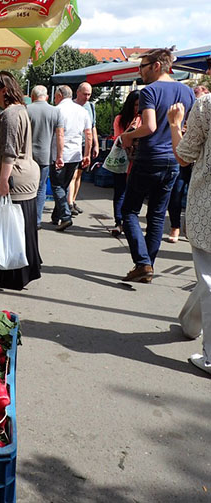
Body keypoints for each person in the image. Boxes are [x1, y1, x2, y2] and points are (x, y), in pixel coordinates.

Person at [119, 48, 196, 283]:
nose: (139, 71)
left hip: (149, 157)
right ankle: (147, 267)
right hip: (174, 159)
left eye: (142, 66)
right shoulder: (187, 92)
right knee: (156, 215)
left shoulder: (150, 91)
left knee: (129, 210)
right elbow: (187, 129)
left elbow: (149, 126)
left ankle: (142, 263)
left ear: (156, 66)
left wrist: (128, 136)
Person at [168, 58, 211, 374]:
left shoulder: (205, 105)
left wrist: (174, 124)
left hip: (207, 205)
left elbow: (183, 155)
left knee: (208, 276)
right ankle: (189, 323)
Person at [0, 71, 41, 290]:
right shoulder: (19, 111)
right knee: (16, 227)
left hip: (15, 179)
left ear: (4, 90)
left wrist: (3, 180)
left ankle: (14, 274)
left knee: (13, 227)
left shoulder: (10, 115)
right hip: (22, 177)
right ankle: (9, 270)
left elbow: (10, 151)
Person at [51, 85, 92, 231]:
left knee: (57, 185)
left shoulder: (57, 110)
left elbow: (59, 134)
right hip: (76, 154)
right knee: (63, 185)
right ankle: (56, 217)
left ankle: (66, 216)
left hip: (59, 154)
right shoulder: (82, 111)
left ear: (59, 96)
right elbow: (88, 134)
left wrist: (59, 155)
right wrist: (87, 154)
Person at [27, 85, 64, 229]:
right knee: (41, 189)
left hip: (26, 156)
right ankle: (36, 221)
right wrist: (59, 156)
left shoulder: (26, 110)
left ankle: (25, 217)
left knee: (25, 188)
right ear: (47, 97)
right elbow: (60, 135)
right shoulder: (55, 111)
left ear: (32, 96)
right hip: (45, 156)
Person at [110, 90, 141, 237]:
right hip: (122, 161)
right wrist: (131, 128)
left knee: (134, 193)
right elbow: (119, 139)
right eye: (135, 105)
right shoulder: (120, 119)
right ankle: (119, 222)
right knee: (120, 191)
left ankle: (130, 222)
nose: (138, 108)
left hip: (138, 161)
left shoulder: (146, 118)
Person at [68, 82, 99, 216]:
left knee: (80, 174)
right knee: (73, 174)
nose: (87, 97)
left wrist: (95, 144)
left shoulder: (90, 106)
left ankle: (73, 200)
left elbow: (92, 127)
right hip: (73, 144)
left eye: (89, 94)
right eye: (85, 94)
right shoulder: (70, 106)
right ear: (78, 93)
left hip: (85, 144)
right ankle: (68, 203)